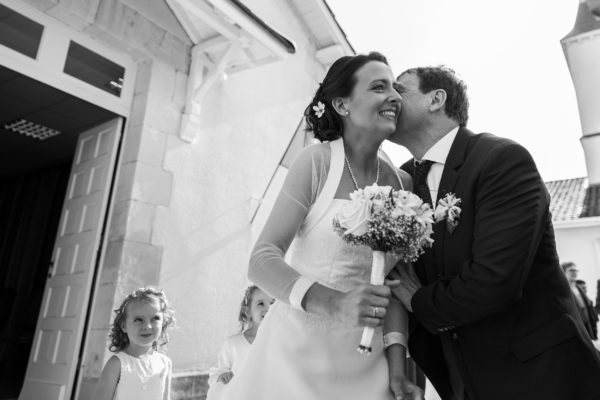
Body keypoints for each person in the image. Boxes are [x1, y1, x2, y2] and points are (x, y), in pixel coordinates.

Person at [388, 65, 600, 400]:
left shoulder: (500, 160)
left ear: (436, 99)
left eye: (399, 89)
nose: (389, 97)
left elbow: (493, 281)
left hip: (541, 377)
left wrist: (417, 300)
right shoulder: (399, 182)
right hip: (460, 381)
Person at [222, 52, 423, 400]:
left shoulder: (405, 183)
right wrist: (333, 302)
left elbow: (392, 288)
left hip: (368, 367)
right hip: (293, 360)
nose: (394, 97)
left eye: (395, 88)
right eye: (379, 87)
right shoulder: (316, 162)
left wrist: (396, 370)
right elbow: (262, 259)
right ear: (343, 104)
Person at [94, 287, 175, 400]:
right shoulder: (117, 364)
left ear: (164, 322)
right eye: (138, 319)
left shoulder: (165, 363)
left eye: (155, 318)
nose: (147, 326)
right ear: (123, 325)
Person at [206, 285, 273, 400]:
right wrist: (222, 376)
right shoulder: (233, 344)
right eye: (260, 304)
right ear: (248, 311)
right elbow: (216, 373)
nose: (268, 308)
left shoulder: (277, 342)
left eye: (272, 304)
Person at [562, 262, 598, 340]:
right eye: (571, 270)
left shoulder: (579, 288)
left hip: (587, 324)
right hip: (575, 326)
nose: (574, 272)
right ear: (564, 272)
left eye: (576, 270)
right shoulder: (563, 289)